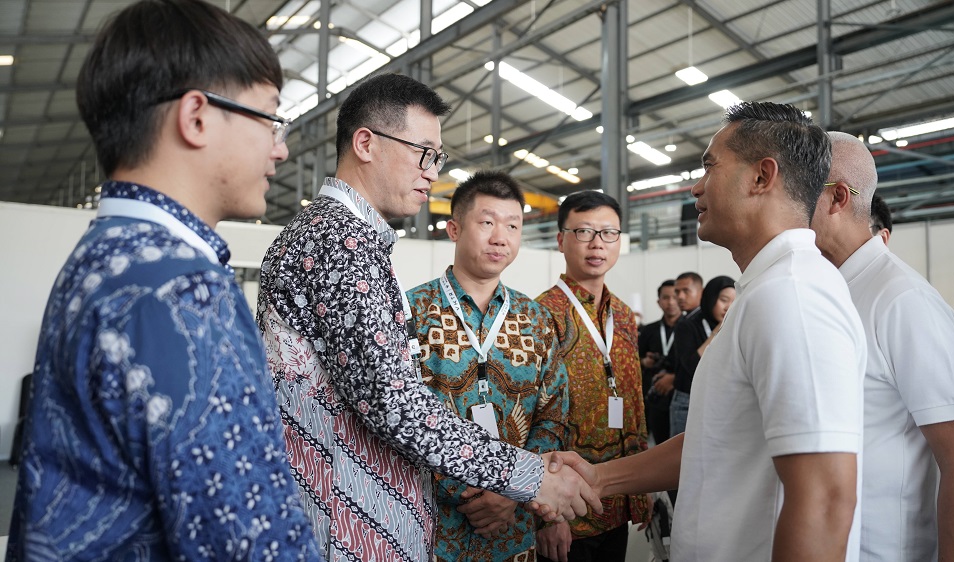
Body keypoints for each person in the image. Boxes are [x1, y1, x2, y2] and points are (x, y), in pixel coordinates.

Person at [6, 1, 324, 560]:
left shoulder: (101, 257)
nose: (281, 148)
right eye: (271, 118)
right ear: (196, 116)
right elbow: (251, 542)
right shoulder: (181, 291)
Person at [256, 73, 598, 562]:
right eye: (423, 153)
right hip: (345, 524)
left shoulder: (349, 240)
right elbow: (395, 405)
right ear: (366, 144)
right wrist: (528, 476)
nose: (432, 172)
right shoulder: (340, 243)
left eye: (437, 157)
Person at [541, 102, 867, 562]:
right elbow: (716, 438)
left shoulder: (792, 297)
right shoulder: (767, 290)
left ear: (761, 177)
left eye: (710, 167)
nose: (696, 186)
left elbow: (827, 499)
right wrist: (600, 478)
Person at [811, 132, 954, 561]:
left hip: (890, 549)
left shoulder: (903, 299)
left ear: (837, 197)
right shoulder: (829, 288)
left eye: (798, 187)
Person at [405, 170, 570, 561]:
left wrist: (514, 490)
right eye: (487, 223)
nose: (501, 237)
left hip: (514, 530)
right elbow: (400, 414)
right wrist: (470, 493)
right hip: (431, 528)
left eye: (513, 226)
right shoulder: (412, 311)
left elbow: (554, 416)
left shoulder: (536, 319)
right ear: (454, 229)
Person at [535, 191, 649, 562]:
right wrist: (546, 516)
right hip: (566, 507)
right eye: (584, 231)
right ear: (561, 240)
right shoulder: (540, 314)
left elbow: (634, 404)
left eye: (608, 233)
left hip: (617, 499)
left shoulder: (624, 316)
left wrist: (641, 492)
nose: (597, 243)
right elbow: (532, 417)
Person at [666, 275, 735, 438]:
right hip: (688, 401)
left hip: (721, 399)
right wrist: (717, 332)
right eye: (724, 300)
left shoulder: (735, 326)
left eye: (735, 302)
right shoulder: (687, 325)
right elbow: (693, 365)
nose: (729, 307)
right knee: (682, 451)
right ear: (710, 297)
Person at [638, 280, 681, 444]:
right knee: (658, 444)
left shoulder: (691, 326)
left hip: (681, 394)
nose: (671, 302)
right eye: (666, 297)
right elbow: (634, 360)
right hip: (654, 396)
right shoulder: (648, 330)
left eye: (674, 297)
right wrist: (644, 362)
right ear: (658, 302)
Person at [662, 271, 703, 438]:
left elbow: (691, 364)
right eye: (677, 291)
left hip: (689, 395)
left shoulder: (695, 322)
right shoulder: (686, 320)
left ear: (701, 292)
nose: (680, 296)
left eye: (686, 291)